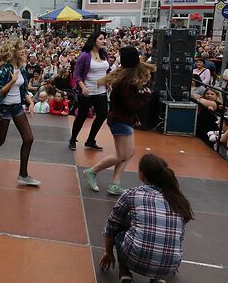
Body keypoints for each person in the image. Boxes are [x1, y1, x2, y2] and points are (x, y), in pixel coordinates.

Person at [99, 154, 194, 283]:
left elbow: (111, 227)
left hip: (135, 259)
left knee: (122, 223)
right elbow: (179, 238)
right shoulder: (177, 200)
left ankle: (124, 272)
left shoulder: (132, 194)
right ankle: (158, 278)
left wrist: (108, 252)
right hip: (170, 265)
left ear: (142, 174)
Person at [83, 46, 155, 195]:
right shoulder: (126, 80)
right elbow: (131, 104)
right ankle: (92, 171)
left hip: (122, 119)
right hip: (120, 119)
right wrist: (145, 96)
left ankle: (115, 183)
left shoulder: (124, 77)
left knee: (129, 152)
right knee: (122, 154)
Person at [0, 37, 40, 186]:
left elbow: (23, 91)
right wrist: (12, 81)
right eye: (20, 49)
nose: (23, 51)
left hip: (17, 107)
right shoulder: (5, 69)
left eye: (23, 49)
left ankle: (23, 174)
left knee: (29, 139)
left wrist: (30, 102)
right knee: (0, 140)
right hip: (4, 109)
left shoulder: (21, 68)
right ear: (13, 51)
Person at [69, 32, 109, 151]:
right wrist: (82, 87)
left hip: (101, 90)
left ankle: (91, 140)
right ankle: (73, 139)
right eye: (101, 39)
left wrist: (109, 82)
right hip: (86, 91)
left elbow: (107, 70)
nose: (104, 41)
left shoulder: (104, 54)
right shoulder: (85, 55)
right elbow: (77, 73)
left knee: (102, 115)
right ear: (94, 40)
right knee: (82, 116)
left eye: (104, 39)